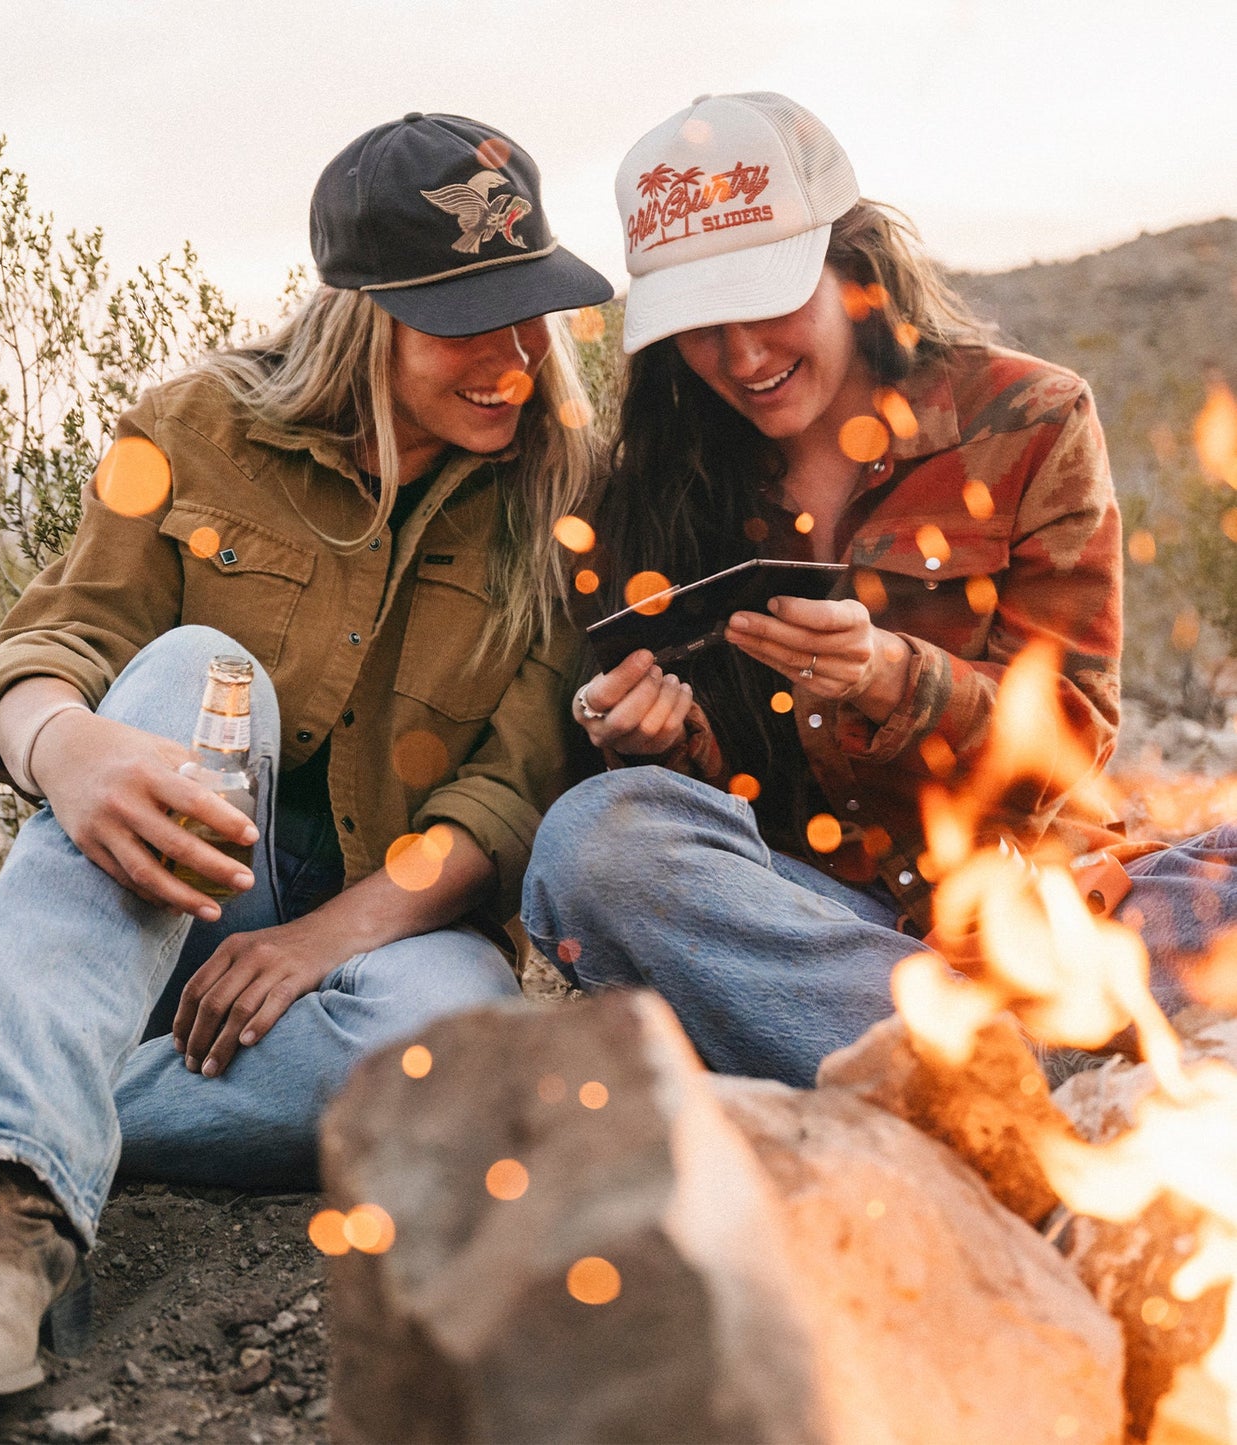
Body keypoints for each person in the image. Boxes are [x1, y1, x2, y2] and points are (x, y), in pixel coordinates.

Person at [0, 111, 611, 1427]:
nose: (518, 361)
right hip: (166, 901)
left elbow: (506, 791)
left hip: (386, 931)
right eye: (470, 321)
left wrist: (315, 942)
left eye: (533, 313)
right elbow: (59, 637)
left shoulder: (561, 492)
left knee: (454, 1051)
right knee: (184, 668)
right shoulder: (187, 425)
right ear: (362, 314)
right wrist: (66, 743)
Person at [521, 91, 1237, 1088]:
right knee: (594, 845)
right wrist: (659, 742)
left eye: (769, 304)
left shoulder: (1028, 418)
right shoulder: (647, 488)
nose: (743, 358)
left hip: (1042, 903)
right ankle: (994, 1068)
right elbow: (715, 836)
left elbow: (1067, 741)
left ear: (852, 268)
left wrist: (893, 677)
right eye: (700, 328)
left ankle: (917, 1063)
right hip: (813, 925)